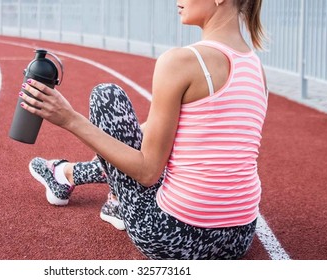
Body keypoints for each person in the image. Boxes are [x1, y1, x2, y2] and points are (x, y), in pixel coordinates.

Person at [20, 0, 268, 260]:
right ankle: (66, 174)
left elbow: (148, 172)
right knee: (158, 145)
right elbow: (193, 131)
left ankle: (107, 196)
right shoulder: (256, 68)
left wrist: (69, 118)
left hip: (173, 239)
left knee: (107, 97)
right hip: (239, 238)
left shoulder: (181, 61)